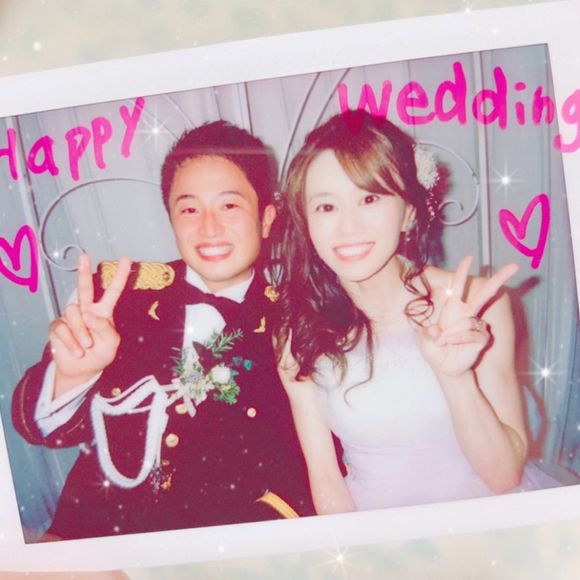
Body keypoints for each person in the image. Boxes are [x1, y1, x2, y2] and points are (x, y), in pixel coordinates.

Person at [12, 120, 314, 540]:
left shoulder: (297, 324)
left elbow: (308, 470)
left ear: (266, 219)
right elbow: (36, 429)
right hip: (93, 535)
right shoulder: (119, 299)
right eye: (189, 209)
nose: (209, 228)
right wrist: (74, 376)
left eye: (229, 206)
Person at [273, 110, 558, 515]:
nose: (348, 228)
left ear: (408, 211)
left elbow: (504, 477)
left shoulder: (477, 304)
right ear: (306, 221)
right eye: (326, 207)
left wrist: (455, 377)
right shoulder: (297, 331)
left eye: (369, 198)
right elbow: (326, 480)